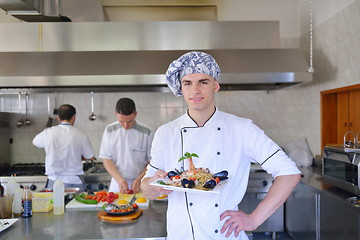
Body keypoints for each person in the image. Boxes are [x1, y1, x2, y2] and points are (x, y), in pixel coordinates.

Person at [141, 51, 301, 240]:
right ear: (181, 88)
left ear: (215, 86)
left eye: (203, 82)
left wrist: (254, 219)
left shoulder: (242, 128)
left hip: (225, 235)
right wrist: (156, 186)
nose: (195, 90)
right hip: (180, 235)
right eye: (187, 83)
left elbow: (289, 173)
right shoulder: (166, 133)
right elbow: (146, 188)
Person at [33, 104, 95, 192]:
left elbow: (35, 143)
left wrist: (51, 148)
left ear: (58, 118)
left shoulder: (48, 132)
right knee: (76, 205)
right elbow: (90, 157)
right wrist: (77, 155)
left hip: (54, 181)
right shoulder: (81, 134)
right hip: (75, 181)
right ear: (74, 117)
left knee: (53, 206)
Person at [99, 97, 152, 193]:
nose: (126, 125)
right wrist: (120, 180)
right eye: (122, 121)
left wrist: (140, 178)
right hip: (117, 180)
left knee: (142, 206)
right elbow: (106, 159)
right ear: (116, 114)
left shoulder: (146, 131)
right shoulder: (110, 130)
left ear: (135, 114)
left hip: (141, 180)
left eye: (129, 121)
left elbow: (152, 161)